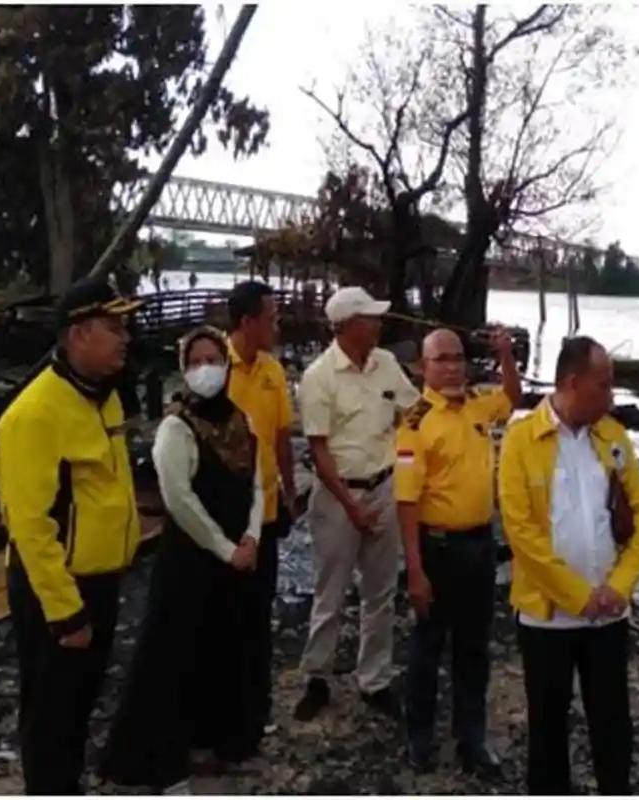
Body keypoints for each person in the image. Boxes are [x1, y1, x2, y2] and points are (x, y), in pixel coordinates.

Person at [0, 276, 144, 795]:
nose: (125, 337)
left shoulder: (105, 399)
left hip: (99, 581)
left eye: (126, 325)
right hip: (55, 588)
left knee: (79, 709)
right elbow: (30, 527)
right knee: (51, 718)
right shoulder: (33, 415)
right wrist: (66, 614)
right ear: (78, 334)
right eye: (113, 326)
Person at [99, 326, 266, 793]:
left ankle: (220, 740)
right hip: (192, 559)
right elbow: (179, 500)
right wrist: (225, 548)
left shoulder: (241, 421)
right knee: (178, 650)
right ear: (183, 368)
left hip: (238, 553)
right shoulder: (176, 427)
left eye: (214, 358)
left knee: (227, 647)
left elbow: (256, 482)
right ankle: (168, 751)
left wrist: (252, 536)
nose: (206, 368)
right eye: (196, 361)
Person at [497, 335, 639, 795]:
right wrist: (578, 597)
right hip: (547, 620)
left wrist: (620, 587)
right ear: (571, 382)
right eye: (603, 385)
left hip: (608, 614)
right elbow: (522, 535)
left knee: (612, 723)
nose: (611, 395)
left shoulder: (614, 436)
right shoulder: (522, 441)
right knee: (547, 729)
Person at [395, 327, 522, 776]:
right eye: (440, 359)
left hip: (479, 545)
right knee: (428, 646)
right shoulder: (414, 422)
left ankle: (471, 740)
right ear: (422, 367)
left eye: (457, 357)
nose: (451, 366)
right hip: (437, 548)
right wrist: (414, 571)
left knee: (474, 648)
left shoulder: (478, 405)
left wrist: (506, 355)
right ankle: (419, 738)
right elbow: (406, 501)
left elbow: (513, 395)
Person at [294, 286, 421, 721]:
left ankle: (375, 679)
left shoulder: (386, 363)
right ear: (347, 326)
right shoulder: (318, 377)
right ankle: (316, 676)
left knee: (381, 590)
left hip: (384, 485)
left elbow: (415, 411)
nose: (379, 324)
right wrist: (351, 506)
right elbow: (319, 451)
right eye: (370, 317)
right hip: (336, 494)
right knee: (330, 590)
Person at [225, 280, 298, 730]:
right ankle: (224, 712)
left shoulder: (272, 370)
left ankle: (256, 709)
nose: (277, 325)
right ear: (247, 322)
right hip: (230, 516)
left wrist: (290, 491)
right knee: (226, 615)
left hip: (268, 511)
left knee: (258, 613)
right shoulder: (215, 368)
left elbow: (283, 438)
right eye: (270, 318)